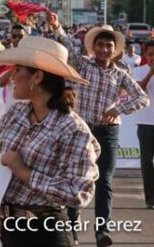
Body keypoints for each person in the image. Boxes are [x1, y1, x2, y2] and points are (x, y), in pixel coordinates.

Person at [0, 36, 100, 247]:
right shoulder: (15, 113)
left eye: (18, 69)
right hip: (8, 227)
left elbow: (78, 192)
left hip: (46, 232)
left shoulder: (72, 129)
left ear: (37, 77)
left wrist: (25, 173)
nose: (12, 75)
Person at [47, 14, 150, 247]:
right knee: (76, 178)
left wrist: (118, 108)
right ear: (93, 47)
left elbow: (142, 98)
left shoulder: (121, 73)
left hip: (107, 132)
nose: (104, 49)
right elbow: (68, 48)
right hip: (82, 131)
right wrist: (56, 26)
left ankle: (102, 231)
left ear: (115, 50)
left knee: (105, 181)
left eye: (109, 46)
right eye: (101, 45)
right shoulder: (83, 64)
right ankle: (72, 230)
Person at [130, 40, 154, 209]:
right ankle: (150, 199)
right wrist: (151, 72)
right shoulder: (138, 71)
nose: (153, 58)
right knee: (147, 162)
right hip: (145, 123)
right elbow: (139, 90)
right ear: (145, 55)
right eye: (151, 54)